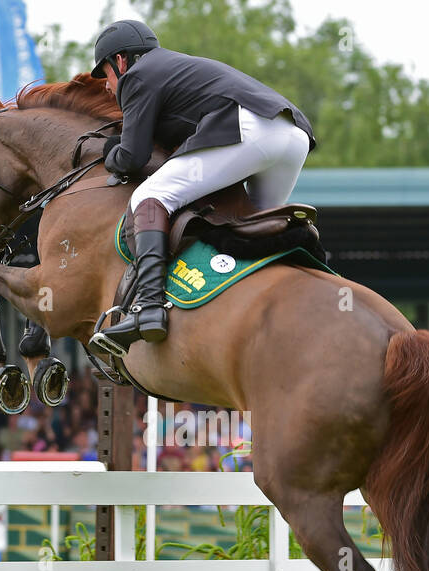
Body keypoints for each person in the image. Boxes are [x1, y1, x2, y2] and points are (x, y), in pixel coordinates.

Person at [90, 19, 316, 353]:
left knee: (149, 196)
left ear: (120, 61)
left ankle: (148, 307)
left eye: (106, 75)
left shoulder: (137, 76)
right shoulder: (172, 67)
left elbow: (134, 156)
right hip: (292, 135)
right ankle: (301, 290)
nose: (109, 86)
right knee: (253, 225)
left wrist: (111, 155)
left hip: (249, 130)